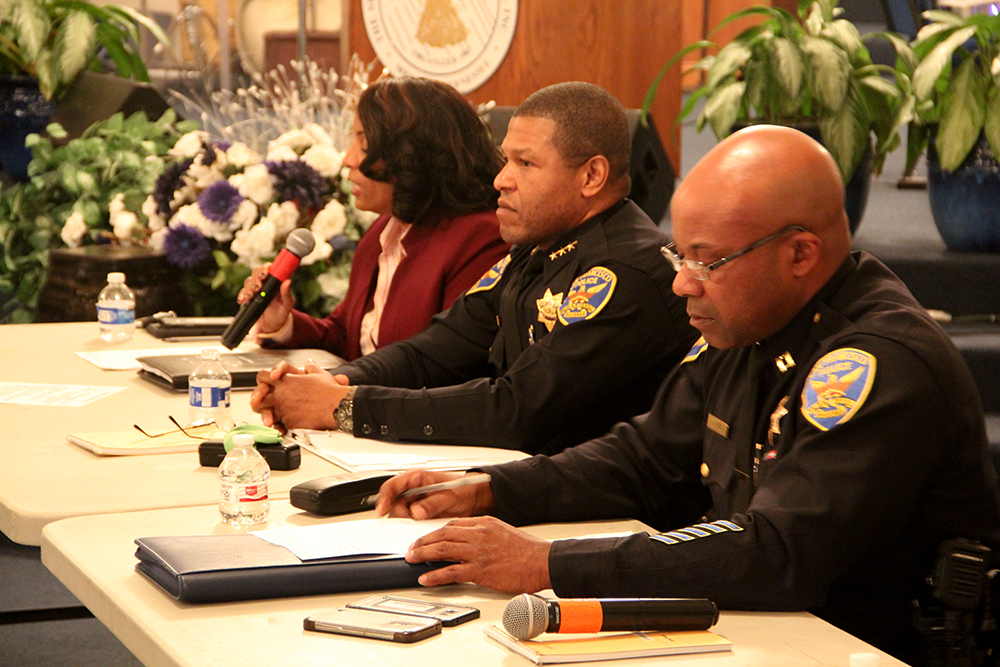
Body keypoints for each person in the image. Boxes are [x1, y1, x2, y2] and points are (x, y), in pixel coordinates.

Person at [376, 125, 1000, 664]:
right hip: (768, 632)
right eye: (680, 255)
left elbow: (780, 551)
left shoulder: (878, 363)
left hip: (865, 646)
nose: (681, 284)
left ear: (800, 254)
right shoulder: (751, 319)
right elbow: (643, 457)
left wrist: (546, 563)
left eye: (707, 261)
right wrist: (493, 487)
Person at [250, 82, 697, 455]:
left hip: (609, 513)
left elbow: (518, 410)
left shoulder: (625, 271)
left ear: (591, 176)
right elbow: (434, 350)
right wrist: (332, 383)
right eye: (506, 160)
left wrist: (345, 406)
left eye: (525, 163)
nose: (502, 179)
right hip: (530, 483)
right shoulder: (536, 248)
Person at [238, 76, 509, 361]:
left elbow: (441, 365)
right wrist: (283, 323)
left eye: (364, 143)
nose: (348, 158)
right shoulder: (386, 228)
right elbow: (348, 338)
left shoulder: (480, 239)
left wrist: (342, 386)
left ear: (413, 153)